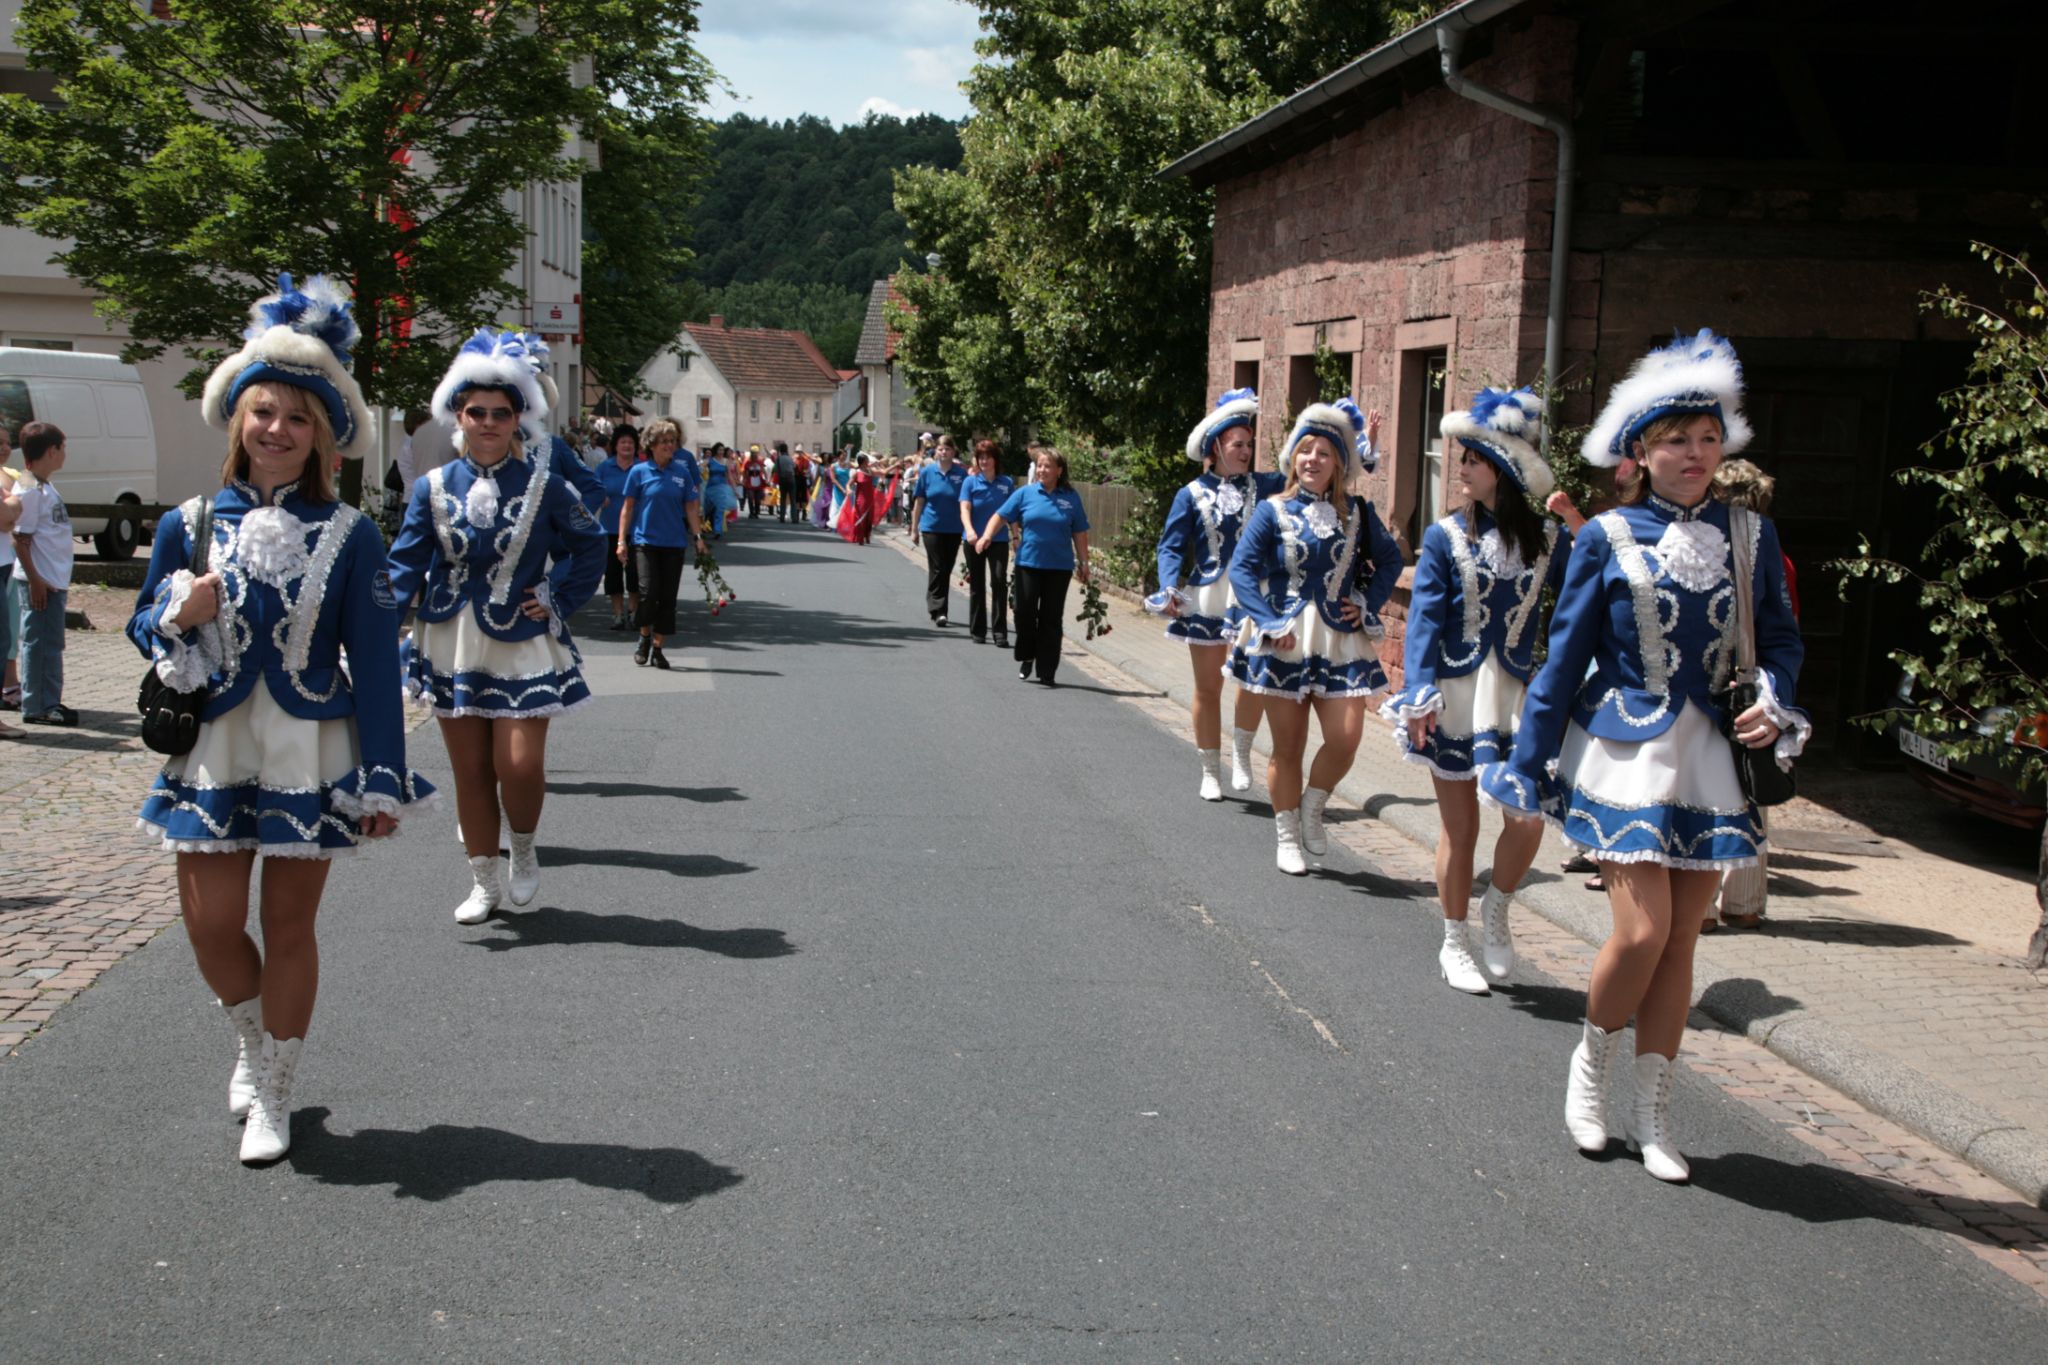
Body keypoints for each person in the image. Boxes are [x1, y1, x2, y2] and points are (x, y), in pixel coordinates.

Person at [1480, 330, 1808, 1183]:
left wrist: (1774, 700)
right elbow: (1560, 657)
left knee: (1682, 944)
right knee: (1644, 930)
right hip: (1628, 751)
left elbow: (1780, 639)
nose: (1695, 454)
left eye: (1708, 439)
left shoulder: (1752, 534)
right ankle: (1590, 1067)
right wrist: (1528, 759)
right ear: (1640, 453)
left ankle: (1655, 1111)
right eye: (1676, 441)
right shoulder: (1607, 536)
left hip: (1714, 759)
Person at [130, 274, 435, 1163]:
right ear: (237, 419)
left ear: (323, 437)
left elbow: (376, 663)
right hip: (214, 746)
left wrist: (383, 775)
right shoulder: (185, 524)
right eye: (263, 412)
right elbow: (143, 624)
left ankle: (277, 1087)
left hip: (309, 746)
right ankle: (249, 1034)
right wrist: (176, 616)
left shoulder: (353, 534)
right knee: (211, 924)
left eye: (297, 418)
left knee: (290, 926)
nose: (276, 430)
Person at [387, 328, 606, 926]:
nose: (487, 422)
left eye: (500, 413)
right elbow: (404, 565)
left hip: (523, 641)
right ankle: (483, 880)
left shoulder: (546, 485)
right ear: (458, 415)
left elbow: (591, 545)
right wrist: (374, 628)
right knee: (471, 770)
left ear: (519, 419)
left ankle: (526, 847)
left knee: (519, 764)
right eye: (476, 411)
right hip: (450, 639)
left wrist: (557, 597)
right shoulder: (432, 489)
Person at [1381, 387, 1570, 993]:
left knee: (1528, 821)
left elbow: (1586, 602)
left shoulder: (1550, 540)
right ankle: (1453, 940)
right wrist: (1417, 695)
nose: (1460, 469)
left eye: (1473, 460)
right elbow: (1425, 622)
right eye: (1461, 459)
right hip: (1456, 697)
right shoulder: (1443, 537)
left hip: (1518, 696)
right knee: (1459, 829)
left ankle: (1499, 907)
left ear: (1506, 470)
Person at [1226, 399, 1399, 875]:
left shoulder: (1358, 513)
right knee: (1288, 746)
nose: (1313, 460)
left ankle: (1312, 807)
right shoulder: (1272, 510)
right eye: (1306, 450)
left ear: (1339, 463)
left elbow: (1390, 561)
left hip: (1340, 639)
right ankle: (1286, 835)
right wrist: (1267, 619)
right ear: (1292, 458)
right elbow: (1241, 569)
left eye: (1324, 452)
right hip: (1285, 639)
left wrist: (1365, 600)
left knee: (1345, 739)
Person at [1148, 388, 1283, 801]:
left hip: (1253, 599)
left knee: (1252, 683)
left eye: (1249, 444)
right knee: (1208, 688)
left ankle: (1241, 754)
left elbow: (1312, 476)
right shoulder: (1189, 494)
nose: (1246, 451)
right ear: (1216, 448)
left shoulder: (1268, 484)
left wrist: (1354, 443)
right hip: (1207, 597)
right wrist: (1169, 584)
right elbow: (1170, 545)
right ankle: (1210, 769)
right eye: (1237, 445)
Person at [1706, 457, 1793, 934]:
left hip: (1738, 684)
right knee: (1749, 790)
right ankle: (1742, 902)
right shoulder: (1776, 554)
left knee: (1735, 786)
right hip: (1754, 682)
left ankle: (1707, 908)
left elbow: (1780, 624)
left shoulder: (1756, 547)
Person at [982, 445, 1090, 686]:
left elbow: (1080, 531)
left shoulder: (1071, 497)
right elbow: (1001, 515)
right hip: (1028, 563)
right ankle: (1027, 655)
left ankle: (1047, 669)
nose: (1042, 470)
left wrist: (1084, 562)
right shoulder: (1025, 493)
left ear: (1059, 470)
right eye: (1039, 465)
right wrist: (987, 536)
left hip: (1059, 567)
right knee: (1024, 612)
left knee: (1051, 619)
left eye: (1047, 466)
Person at [615, 417, 706, 672]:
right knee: (647, 592)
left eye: (672, 441)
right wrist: (622, 541)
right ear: (651, 445)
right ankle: (644, 637)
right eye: (664, 441)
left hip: (674, 543)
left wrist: (698, 538)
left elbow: (690, 507)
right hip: (645, 542)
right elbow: (628, 508)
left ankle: (658, 648)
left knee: (668, 599)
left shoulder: (682, 473)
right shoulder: (639, 471)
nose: (669, 445)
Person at [11, 420, 75, 726]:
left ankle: (50, 699)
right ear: (52, 451)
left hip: (53, 579)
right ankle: (38, 705)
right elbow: (20, 539)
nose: (65, 454)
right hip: (42, 581)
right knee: (40, 643)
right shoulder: (29, 487)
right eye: (63, 448)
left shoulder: (42, 484)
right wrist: (36, 579)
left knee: (51, 642)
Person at [958, 439, 1014, 646]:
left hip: (998, 540)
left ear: (995, 459)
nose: (984, 461)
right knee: (977, 585)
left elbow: (1011, 513)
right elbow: (964, 509)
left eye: (987, 457)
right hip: (973, 541)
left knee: (999, 582)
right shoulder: (970, 482)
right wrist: (970, 531)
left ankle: (1000, 632)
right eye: (980, 457)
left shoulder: (1006, 482)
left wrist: (1015, 537)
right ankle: (978, 630)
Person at [912, 435, 969, 627]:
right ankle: (940, 610)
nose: (943, 452)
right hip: (931, 527)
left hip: (953, 529)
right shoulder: (927, 472)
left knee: (946, 568)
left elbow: (967, 503)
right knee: (938, 567)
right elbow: (919, 502)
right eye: (940, 449)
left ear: (953, 452)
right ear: (936, 451)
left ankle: (935, 604)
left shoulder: (961, 475)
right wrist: (914, 529)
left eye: (947, 449)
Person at [594, 424, 642, 630]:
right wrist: (600, 497)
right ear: (615, 445)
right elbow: (592, 489)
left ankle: (633, 611)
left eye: (630, 442)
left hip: (637, 529)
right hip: (610, 528)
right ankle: (617, 614)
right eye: (623, 442)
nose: (626, 446)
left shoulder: (641, 468)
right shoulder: (605, 467)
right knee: (613, 574)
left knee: (635, 573)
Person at [837, 453, 879, 545]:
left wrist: (893, 466)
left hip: (870, 498)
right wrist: (848, 490)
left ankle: (867, 535)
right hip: (861, 499)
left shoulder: (870, 471)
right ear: (863, 462)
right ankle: (860, 538)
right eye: (867, 460)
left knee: (869, 519)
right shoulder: (857, 473)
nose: (868, 461)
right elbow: (848, 484)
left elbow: (882, 472)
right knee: (861, 518)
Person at [703, 443, 741, 538]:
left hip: (722, 488)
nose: (721, 452)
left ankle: (717, 531)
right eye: (720, 450)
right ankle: (703, 526)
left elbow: (730, 476)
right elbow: (699, 469)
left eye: (723, 450)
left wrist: (734, 490)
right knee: (707, 509)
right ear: (715, 450)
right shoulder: (710, 461)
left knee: (720, 509)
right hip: (710, 488)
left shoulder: (726, 462)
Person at [773, 442, 798, 522]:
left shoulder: (779, 459)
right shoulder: (790, 458)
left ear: (780, 450)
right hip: (791, 478)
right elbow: (794, 466)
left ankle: (782, 517)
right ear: (787, 450)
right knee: (793, 499)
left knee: (783, 499)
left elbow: (776, 470)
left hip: (783, 479)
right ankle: (794, 517)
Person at [742, 445, 767, 519]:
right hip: (750, 481)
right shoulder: (748, 462)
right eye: (753, 453)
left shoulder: (760, 462)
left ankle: (756, 512)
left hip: (758, 481)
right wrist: (744, 480)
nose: (754, 454)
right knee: (750, 497)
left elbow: (763, 471)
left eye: (756, 453)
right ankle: (751, 512)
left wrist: (766, 478)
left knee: (757, 499)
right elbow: (745, 472)